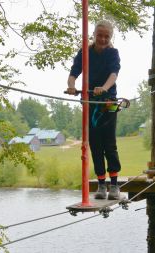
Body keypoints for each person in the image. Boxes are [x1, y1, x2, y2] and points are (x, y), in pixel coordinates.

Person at [66, 20, 122, 200]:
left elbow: (114, 74)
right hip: (90, 102)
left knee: (109, 143)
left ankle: (114, 185)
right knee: (95, 144)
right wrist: (72, 86)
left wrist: (104, 88)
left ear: (110, 37)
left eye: (106, 36)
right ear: (94, 34)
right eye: (100, 35)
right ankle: (101, 184)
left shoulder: (113, 53)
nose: (103, 39)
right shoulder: (85, 52)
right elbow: (74, 72)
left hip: (108, 102)